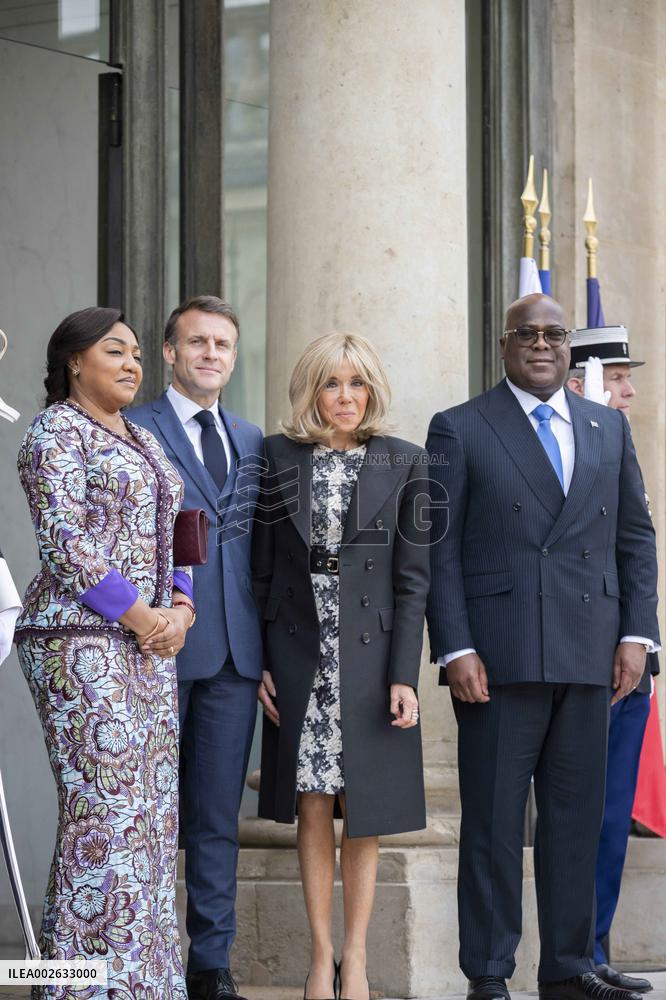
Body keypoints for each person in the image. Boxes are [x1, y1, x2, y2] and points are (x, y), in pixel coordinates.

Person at [426, 293, 659, 1000]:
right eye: (525, 333)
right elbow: (437, 552)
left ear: (568, 348)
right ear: (504, 346)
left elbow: (636, 541)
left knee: (575, 821)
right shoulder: (461, 428)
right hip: (497, 659)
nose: (541, 344)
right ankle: (489, 974)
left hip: (591, 654)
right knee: (494, 827)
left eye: (554, 334)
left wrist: (637, 636)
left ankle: (567, 967)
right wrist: (455, 647)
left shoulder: (605, 430)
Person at [14, 306, 195, 997]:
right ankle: (79, 986)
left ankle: (144, 983)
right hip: (77, 639)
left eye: (138, 354)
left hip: (151, 642)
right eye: (115, 351)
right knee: (105, 811)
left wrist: (182, 605)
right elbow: (66, 543)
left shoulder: (144, 437)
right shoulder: (53, 432)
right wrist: (145, 616)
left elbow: (183, 524)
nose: (132, 364)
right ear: (74, 362)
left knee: (151, 815)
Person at [252, 332, 429, 1000]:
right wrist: (265, 662)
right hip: (301, 651)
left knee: (367, 806)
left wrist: (404, 675)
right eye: (332, 383)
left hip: (372, 657)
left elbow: (413, 581)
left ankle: (354, 960)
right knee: (312, 802)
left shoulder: (407, 461)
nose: (345, 397)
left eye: (356, 383)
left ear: (372, 389)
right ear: (312, 390)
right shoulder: (275, 459)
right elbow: (261, 573)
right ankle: (317, 958)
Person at [130, 295, 263, 1000]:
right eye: (198, 342)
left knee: (216, 818)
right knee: (148, 811)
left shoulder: (253, 437)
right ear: (169, 352)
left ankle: (210, 966)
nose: (212, 354)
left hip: (238, 658)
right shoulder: (133, 427)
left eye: (224, 345)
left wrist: (270, 655)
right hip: (153, 649)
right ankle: (144, 959)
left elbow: (263, 556)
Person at [567, 326, 658, 992]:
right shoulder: (566, 453)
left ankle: (595, 949)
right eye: (616, 378)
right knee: (583, 814)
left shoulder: (618, 447)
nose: (628, 391)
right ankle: (573, 954)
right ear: (582, 384)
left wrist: (643, 641)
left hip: (630, 665)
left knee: (612, 819)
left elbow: (639, 555)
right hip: (579, 665)